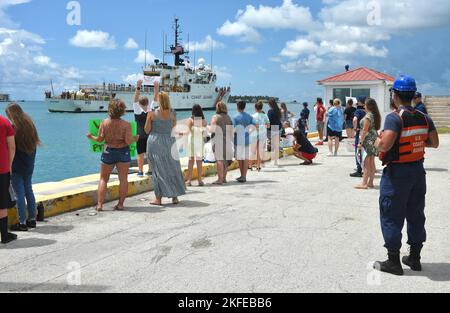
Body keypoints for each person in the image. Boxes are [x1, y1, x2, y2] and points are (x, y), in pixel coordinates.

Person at [374, 75, 439, 276]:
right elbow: (434, 142)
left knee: (391, 214)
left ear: (394, 95)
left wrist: (377, 142)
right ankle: (415, 257)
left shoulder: (394, 117)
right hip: (418, 172)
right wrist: (415, 143)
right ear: (412, 95)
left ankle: (393, 261)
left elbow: (385, 145)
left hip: (397, 174)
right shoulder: (424, 118)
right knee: (415, 213)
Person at [87, 99, 139, 212]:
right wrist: (135, 138)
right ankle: (120, 204)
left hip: (108, 151)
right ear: (122, 110)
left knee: (103, 179)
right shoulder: (126, 125)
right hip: (123, 151)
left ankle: (100, 205)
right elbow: (129, 141)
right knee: (123, 179)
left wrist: (91, 137)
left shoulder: (104, 123)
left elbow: (100, 139)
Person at [144, 83, 186, 206]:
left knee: (157, 170)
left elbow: (147, 130)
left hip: (155, 142)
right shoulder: (173, 113)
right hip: (169, 142)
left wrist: (148, 119)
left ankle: (158, 198)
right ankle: (175, 197)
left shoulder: (152, 114)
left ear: (158, 101)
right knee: (172, 167)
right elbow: (174, 130)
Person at [5, 104, 40, 231]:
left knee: (19, 193)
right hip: (29, 164)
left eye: (8, 115)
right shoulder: (30, 125)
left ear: (12, 114)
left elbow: (11, 148)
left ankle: (22, 223)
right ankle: (32, 219)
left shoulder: (14, 129)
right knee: (28, 190)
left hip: (17, 166)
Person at [355, 98, 381, 190]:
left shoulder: (368, 116)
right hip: (373, 139)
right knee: (371, 162)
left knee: (366, 163)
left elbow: (364, 130)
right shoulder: (374, 115)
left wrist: (360, 143)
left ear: (369, 106)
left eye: (365, 105)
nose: (364, 106)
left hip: (368, 140)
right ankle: (370, 182)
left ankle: (364, 183)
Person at [0, 113, 17, 244]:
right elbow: (12, 147)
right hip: (2, 169)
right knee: (2, 203)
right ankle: (4, 236)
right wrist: (9, 164)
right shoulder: (5, 122)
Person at [133, 79, 154, 177]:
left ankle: (140, 171)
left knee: (140, 154)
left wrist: (138, 86)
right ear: (148, 102)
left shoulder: (137, 111)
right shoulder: (151, 110)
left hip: (140, 136)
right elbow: (156, 98)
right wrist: (156, 87)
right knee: (149, 154)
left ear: (140, 104)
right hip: (150, 135)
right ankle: (150, 170)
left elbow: (135, 100)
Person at [209, 101, 233, 185]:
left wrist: (207, 128)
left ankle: (219, 179)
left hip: (218, 139)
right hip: (227, 139)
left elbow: (212, 129)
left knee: (219, 159)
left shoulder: (215, 117)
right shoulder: (228, 117)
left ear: (218, 108)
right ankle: (224, 178)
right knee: (225, 160)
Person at [233, 101, 255, 183]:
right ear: (244, 107)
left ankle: (242, 175)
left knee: (240, 159)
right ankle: (244, 176)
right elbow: (255, 126)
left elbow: (234, 129)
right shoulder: (249, 116)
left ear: (237, 106)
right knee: (245, 158)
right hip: (246, 139)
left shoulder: (235, 117)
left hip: (238, 140)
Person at [185, 104, 207, 187]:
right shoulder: (204, 121)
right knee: (199, 161)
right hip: (200, 141)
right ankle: (200, 180)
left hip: (192, 141)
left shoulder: (190, 120)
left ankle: (189, 180)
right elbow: (204, 133)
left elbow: (187, 131)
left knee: (191, 161)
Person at [350, 97, 367, 177]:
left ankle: (359, 170)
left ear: (360, 102)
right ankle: (366, 169)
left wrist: (355, 128)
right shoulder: (367, 111)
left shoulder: (358, 111)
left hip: (359, 132)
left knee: (358, 151)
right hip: (367, 133)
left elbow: (354, 119)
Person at [250, 101, 270, 172]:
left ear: (255, 108)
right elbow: (268, 126)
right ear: (262, 108)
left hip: (254, 134)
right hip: (262, 134)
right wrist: (262, 126)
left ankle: (250, 166)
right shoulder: (265, 116)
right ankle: (258, 166)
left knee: (252, 151)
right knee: (259, 150)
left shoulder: (252, 116)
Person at [268, 98, 282, 165]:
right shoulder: (278, 110)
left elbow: (269, 120)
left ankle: (274, 160)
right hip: (278, 127)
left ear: (270, 104)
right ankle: (276, 160)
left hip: (272, 128)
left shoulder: (270, 111)